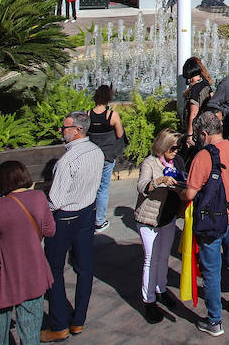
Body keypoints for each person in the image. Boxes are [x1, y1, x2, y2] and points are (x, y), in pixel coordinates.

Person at [178, 109, 229, 336]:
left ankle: (215, 320)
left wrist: (177, 191)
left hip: (211, 220)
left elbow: (191, 193)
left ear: (203, 133)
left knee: (211, 270)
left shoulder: (202, 157)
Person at [42, 111, 103, 342]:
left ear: (78, 130)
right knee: (85, 268)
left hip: (65, 217)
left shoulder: (66, 161)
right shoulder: (97, 152)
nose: (61, 131)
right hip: (87, 213)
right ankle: (78, 321)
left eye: (65, 127)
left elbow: (55, 201)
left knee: (54, 269)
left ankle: (59, 325)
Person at [0, 162, 55, 345]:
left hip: (7, 275)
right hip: (35, 271)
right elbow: (50, 231)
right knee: (30, 329)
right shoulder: (39, 197)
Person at [133, 129, 185, 322]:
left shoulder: (177, 162)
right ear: (163, 146)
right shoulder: (150, 162)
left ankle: (161, 289)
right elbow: (142, 186)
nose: (176, 151)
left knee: (163, 257)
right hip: (150, 218)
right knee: (151, 259)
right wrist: (160, 181)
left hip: (167, 217)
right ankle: (148, 300)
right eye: (173, 148)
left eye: (178, 148)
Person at [86, 85, 125, 233]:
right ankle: (99, 221)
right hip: (107, 156)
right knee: (103, 188)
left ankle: (88, 219)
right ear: (109, 98)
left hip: (91, 156)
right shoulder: (112, 115)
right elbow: (120, 134)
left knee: (91, 187)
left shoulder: (87, 114)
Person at [180, 58, 213, 144]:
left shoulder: (195, 89)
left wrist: (189, 136)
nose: (190, 81)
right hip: (208, 126)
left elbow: (193, 114)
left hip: (197, 130)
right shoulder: (206, 84)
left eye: (190, 78)